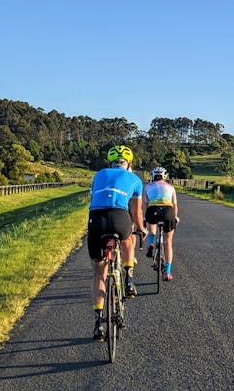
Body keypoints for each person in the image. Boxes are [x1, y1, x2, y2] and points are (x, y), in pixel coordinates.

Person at [87, 145, 145, 341]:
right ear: (129, 163)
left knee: (99, 271)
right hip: (119, 218)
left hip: (96, 219)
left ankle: (98, 323)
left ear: (110, 162)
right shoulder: (135, 179)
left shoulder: (98, 175)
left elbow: (93, 199)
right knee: (130, 237)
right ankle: (128, 277)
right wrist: (142, 229)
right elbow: (136, 214)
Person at [144, 166, 179, 281]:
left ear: (153, 176)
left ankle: (150, 244)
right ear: (164, 176)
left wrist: (146, 217)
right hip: (167, 211)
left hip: (153, 209)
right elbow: (174, 205)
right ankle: (167, 272)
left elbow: (147, 203)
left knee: (151, 229)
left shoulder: (148, 186)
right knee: (168, 242)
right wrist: (175, 217)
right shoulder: (170, 187)